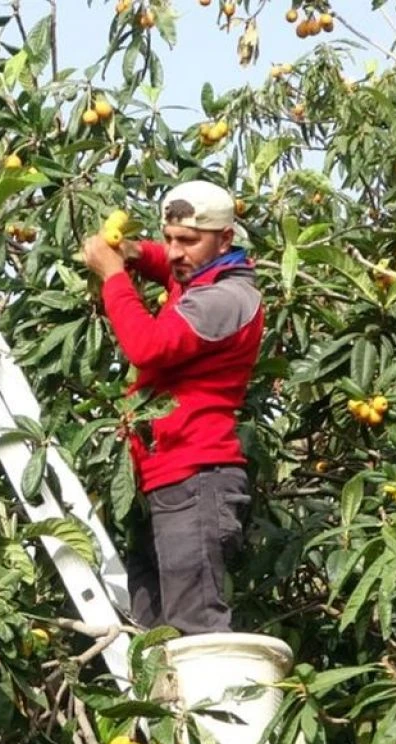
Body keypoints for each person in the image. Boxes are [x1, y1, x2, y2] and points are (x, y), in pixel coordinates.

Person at [81, 180, 263, 635]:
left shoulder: (224, 299)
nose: (176, 252)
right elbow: (168, 266)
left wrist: (114, 276)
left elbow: (147, 347)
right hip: (160, 478)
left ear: (226, 240)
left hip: (196, 477)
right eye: (169, 238)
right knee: (152, 628)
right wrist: (136, 252)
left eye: (189, 241)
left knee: (194, 628)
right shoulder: (198, 277)